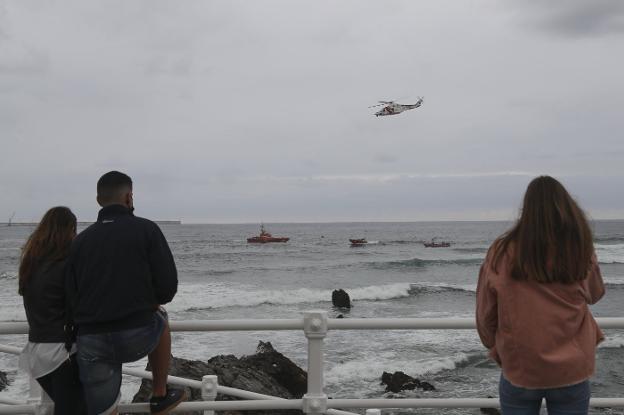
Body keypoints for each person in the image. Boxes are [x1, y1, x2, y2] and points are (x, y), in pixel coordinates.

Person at [476, 175, 605, 415]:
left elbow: (486, 314)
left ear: (527, 209)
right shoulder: (580, 248)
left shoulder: (501, 251)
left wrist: (495, 346)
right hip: (572, 368)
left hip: (520, 366)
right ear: (566, 207)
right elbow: (595, 294)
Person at [66, 171, 185, 415]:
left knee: (105, 411)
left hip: (91, 340)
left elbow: (71, 294)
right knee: (161, 318)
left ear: (99, 200)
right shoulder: (147, 230)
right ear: (129, 197)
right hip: (138, 334)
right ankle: (160, 394)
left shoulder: (80, 241)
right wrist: (152, 302)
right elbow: (167, 287)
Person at [18, 206, 87, 414]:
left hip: (37, 350)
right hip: (62, 352)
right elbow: (78, 307)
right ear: (68, 231)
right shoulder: (66, 266)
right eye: (74, 231)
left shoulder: (31, 264)